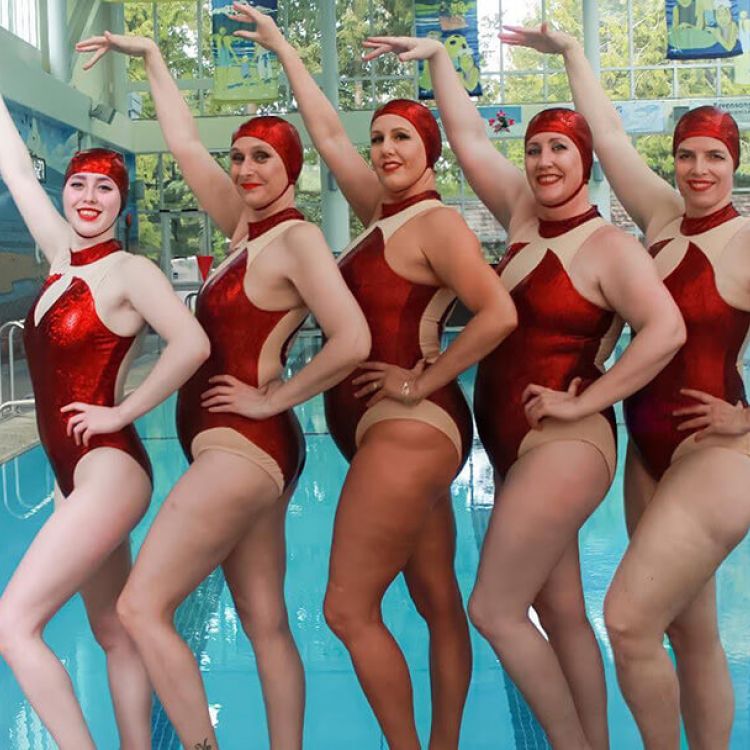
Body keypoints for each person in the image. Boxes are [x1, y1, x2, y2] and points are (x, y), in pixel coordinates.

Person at [362, 34, 686, 750]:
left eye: (559, 150)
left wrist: (585, 402)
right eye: (535, 149)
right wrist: (440, 61)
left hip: (566, 442)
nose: (543, 162)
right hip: (516, 445)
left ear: (586, 163)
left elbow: (665, 331)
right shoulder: (520, 218)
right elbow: (472, 138)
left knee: (495, 609)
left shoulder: (610, 248)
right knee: (561, 609)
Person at [226, 5, 518, 748]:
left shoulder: (437, 224)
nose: (386, 150)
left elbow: (497, 314)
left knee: (347, 609)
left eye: (404, 139)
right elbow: (325, 133)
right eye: (379, 138)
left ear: (432, 152)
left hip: (412, 426)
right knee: (435, 599)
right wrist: (285, 46)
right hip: (386, 431)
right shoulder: (379, 217)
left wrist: (423, 382)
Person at [77, 30, 371, 750]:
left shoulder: (296, 240)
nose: (244, 168)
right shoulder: (245, 233)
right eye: (238, 156)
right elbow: (182, 145)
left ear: (292, 168)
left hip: (245, 445)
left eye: (262, 157)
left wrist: (276, 398)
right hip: (245, 449)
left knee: (142, 605)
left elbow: (353, 338)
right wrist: (150, 59)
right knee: (263, 619)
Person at [499, 23, 750, 749]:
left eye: (714, 157)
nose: (698, 170)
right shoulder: (664, 219)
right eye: (686, 156)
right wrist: (574, 55)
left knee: (629, 621)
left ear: (734, 162)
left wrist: (747, 419)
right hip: (648, 450)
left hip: (717, 456)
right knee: (688, 630)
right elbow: (606, 137)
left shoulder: (745, 241)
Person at [0, 89, 210, 749]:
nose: (89, 197)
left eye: (105, 189)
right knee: (113, 633)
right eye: (79, 186)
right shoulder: (60, 258)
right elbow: (12, 168)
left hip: (109, 467)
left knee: (13, 624)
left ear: (123, 203)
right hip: (73, 472)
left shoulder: (129, 270)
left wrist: (122, 409)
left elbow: (193, 343)